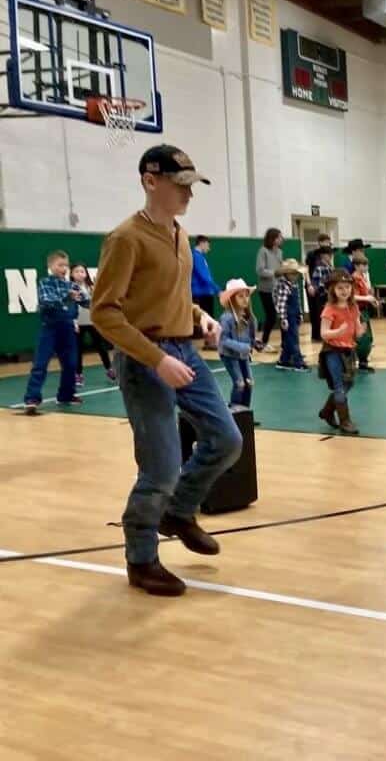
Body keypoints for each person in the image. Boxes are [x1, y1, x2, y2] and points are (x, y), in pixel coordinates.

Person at [92, 144, 243, 597]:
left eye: (191, 186)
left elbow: (167, 295)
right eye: (180, 186)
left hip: (184, 350)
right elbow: (104, 313)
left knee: (227, 439)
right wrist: (156, 359)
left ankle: (178, 511)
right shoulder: (125, 239)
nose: (188, 194)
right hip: (145, 360)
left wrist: (200, 316)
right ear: (150, 180)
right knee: (160, 467)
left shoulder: (180, 234)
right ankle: (141, 559)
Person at [23, 250, 81, 414]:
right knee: (40, 364)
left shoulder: (71, 285)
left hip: (67, 329)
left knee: (71, 364)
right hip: (49, 329)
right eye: (60, 265)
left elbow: (86, 300)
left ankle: (66, 395)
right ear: (50, 266)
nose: (64, 268)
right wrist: (67, 297)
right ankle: (32, 398)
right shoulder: (45, 283)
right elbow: (47, 301)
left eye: (66, 265)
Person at [318, 270, 364, 434]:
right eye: (340, 288)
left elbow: (357, 330)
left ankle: (327, 411)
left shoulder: (353, 307)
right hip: (332, 351)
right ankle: (345, 421)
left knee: (348, 382)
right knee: (339, 385)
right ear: (332, 290)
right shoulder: (329, 309)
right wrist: (338, 332)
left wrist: (360, 330)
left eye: (347, 287)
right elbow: (324, 333)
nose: (345, 291)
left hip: (348, 350)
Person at [70, 263, 115, 386]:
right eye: (76, 271)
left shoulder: (91, 287)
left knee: (101, 347)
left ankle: (110, 369)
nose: (80, 274)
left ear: (86, 274)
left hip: (92, 322)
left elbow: (97, 301)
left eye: (82, 271)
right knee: (78, 349)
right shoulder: (70, 288)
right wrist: (73, 321)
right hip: (77, 323)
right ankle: (78, 374)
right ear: (71, 274)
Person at [218, 279, 257, 409]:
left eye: (247, 296)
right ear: (232, 299)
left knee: (249, 382)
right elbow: (223, 339)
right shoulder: (227, 318)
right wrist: (243, 347)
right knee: (239, 383)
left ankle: (245, 411)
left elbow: (250, 338)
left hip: (243, 355)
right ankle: (235, 411)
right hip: (229, 355)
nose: (245, 299)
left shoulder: (249, 317)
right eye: (240, 296)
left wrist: (256, 344)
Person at [273, 258, 308, 372]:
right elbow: (281, 303)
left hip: (294, 315)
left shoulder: (294, 284)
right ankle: (298, 362)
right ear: (287, 274)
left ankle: (284, 360)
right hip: (288, 317)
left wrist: (300, 314)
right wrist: (283, 318)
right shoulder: (283, 285)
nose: (296, 276)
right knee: (293, 339)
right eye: (294, 274)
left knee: (288, 339)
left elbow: (298, 301)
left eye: (297, 274)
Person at [255, 228, 284, 352]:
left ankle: (285, 344)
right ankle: (263, 342)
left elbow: (280, 268)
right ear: (273, 238)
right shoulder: (263, 251)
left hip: (279, 289)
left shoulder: (280, 252)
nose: (281, 239)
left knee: (283, 316)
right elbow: (260, 270)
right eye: (279, 237)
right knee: (271, 316)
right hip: (266, 289)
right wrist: (275, 272)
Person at [305, 237, 334, 343]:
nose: (330, 257)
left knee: (323, 313)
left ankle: (323, 334)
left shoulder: (328, 266)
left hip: (325, 293)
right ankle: (317, 335)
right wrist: (310, 285)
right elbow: (307, 270)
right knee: (316, 313)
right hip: (317, 290)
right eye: (326, 242)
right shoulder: (313, 258)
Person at [190, 235, 219, 322]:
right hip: (201, 295)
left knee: (206, 322)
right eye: (207, 245)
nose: (208, 248)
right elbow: (204, 276)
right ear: (202, 243)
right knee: (204, 322)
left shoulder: (200, 257)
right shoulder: (196, 256)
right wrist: (217, 290)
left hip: (204, 294)